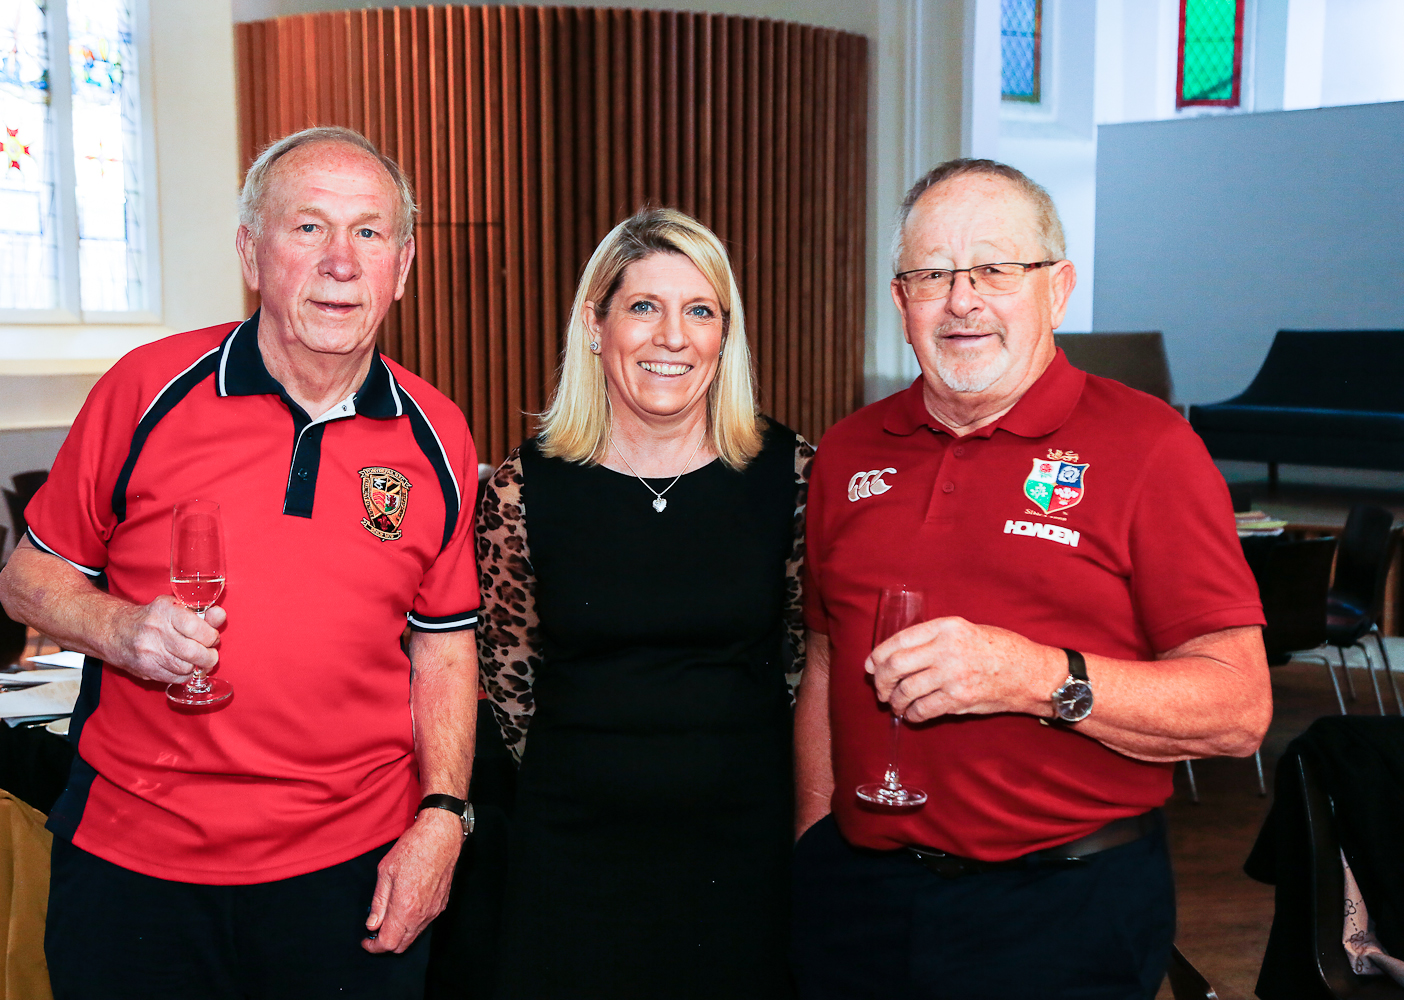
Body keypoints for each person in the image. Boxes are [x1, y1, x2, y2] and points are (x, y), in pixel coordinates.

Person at [0, 126, 481, 1000]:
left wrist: (443, 816)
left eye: (369, 232)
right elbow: (24, 580)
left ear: (402, 268)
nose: (341, 261)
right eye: (308, 227)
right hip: (135, 868)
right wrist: (119, 628)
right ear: (252, 253)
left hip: (350, 875)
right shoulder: (146, 389)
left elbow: (443, 645)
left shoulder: (437, 434)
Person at [791, 159, 1270, 1000]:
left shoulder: (1151, 447)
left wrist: (1035, 676)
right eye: (933, 275)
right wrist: (814, 839)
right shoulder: (848, 451)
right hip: (859, 904)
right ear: (901, 302)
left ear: (1058, 289)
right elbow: (828, 662)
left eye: (995, 269)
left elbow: (1238, 710)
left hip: (1065, 908)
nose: (962, 300)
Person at [476, 208, 812, 999]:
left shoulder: (793, 472)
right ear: (596, 327)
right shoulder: (522, 486)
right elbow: (509, 681)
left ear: (724, 336)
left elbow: (804, 658)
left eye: (700, 311)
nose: (672, 337)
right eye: (643, 306)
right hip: (573, 849)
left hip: (742, 848)